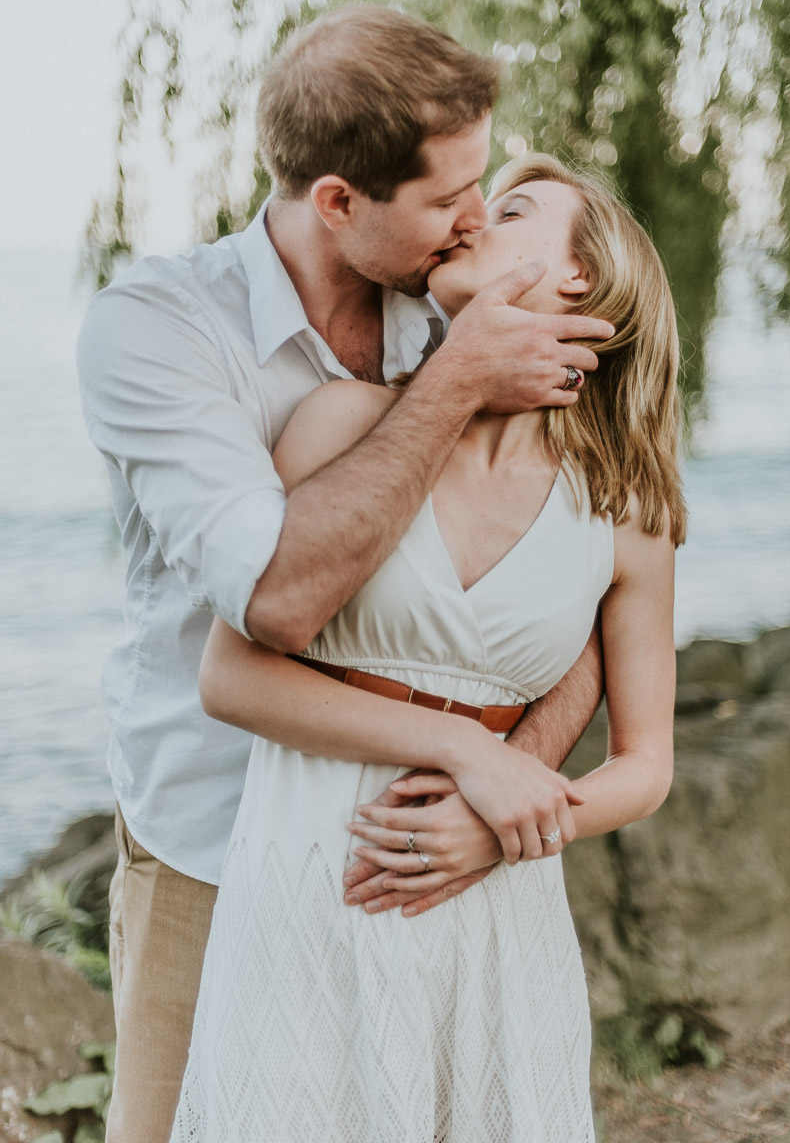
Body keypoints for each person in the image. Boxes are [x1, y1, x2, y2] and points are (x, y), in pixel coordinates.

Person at [76, 7, 613, 1143]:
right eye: (446, 197)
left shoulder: (463, 305)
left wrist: (502, 784)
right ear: (337, 202)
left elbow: (589, 604)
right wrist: (458, 381)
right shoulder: (160, 331)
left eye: (486, 185)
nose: (474, 216)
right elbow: (274, 602)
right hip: (213, 839)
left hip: (417, 852)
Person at [169, 153, 685, 1142]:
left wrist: (508, 827)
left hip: (494, 901)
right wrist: (471, 750)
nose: (477, 213)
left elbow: (646, 764)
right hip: (311, 872)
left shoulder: (626, 512)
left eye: (517, 206)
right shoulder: (346, 420)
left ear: (580, 280)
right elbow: (231, 674)